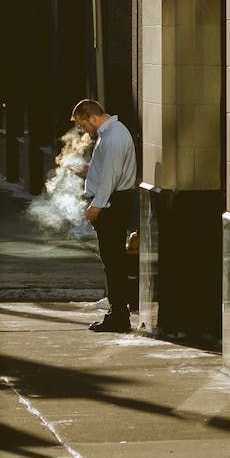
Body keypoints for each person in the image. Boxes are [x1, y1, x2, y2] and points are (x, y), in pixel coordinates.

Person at [71, 98, 137, 333]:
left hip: (112, 204)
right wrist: (91, 171)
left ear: (93, 117)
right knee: (112, 261)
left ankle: (118, 315)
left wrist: (96, 206)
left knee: (113, 262)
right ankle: (118, 312)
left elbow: (111, 175)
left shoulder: (113, 136)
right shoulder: (110, 134)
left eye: (83, 125)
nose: (84, 130)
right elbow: (108, 170)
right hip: (112, 202)